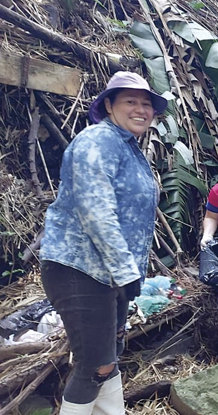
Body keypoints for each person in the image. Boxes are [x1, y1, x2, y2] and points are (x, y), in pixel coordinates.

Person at [39, 71, 167, 415]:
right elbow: (96, 210)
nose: (140, 109)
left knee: (109, 359)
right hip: (79, 268)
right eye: (130, 101)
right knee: (96, 365)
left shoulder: (126, 147)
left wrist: (127, 272)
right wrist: (126, 271)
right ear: (109, 105)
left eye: (146, 104)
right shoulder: (98, 141)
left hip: (106, 272)